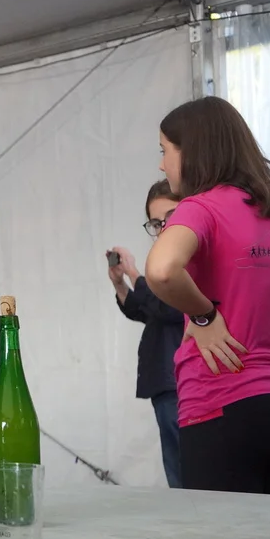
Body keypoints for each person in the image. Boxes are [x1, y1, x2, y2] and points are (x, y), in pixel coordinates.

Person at [145, 96, 270, 495]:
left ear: (192, 151)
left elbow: (161, 270)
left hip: (221, 403)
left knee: (220, 536)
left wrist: (204, 316)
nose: (162, 165)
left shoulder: (199, 208)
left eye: (165, 151)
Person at [107, 179, 184, 488]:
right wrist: (120, 284)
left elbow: (169, 308)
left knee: (185, 469)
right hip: (166, 381)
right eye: (156, 223)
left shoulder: (189, 261)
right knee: (176, 467)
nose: (164, 228)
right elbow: (147, 312)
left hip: (181, 380)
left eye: (171, 216)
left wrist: (133, 273)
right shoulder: (165, 262)